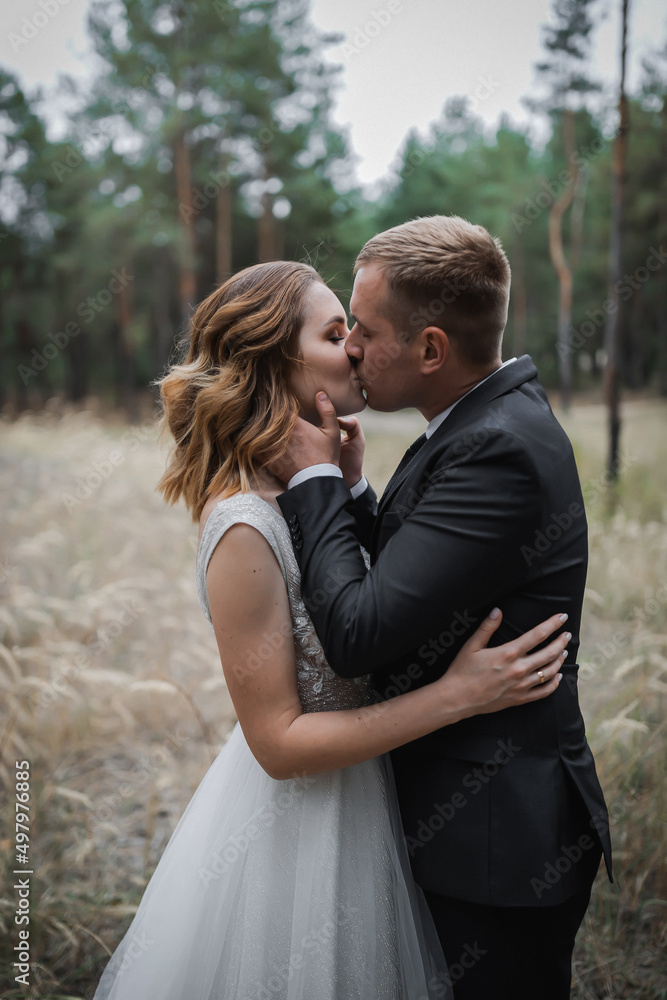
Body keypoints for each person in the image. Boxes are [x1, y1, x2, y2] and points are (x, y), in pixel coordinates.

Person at [91, 259, 571, 1000]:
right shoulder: (245, 525)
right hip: (297, 835)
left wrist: (346, 492)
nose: (353, 348)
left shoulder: (308, 491)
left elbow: (382, 595)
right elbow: (279, 745)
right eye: (334, 332)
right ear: (272, 362)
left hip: (372, 807)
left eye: (354, 331)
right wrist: (457, 696)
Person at [272, 217, 613, 1000]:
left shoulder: (495, 446)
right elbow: (422, 586)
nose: (351, 345)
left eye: (364, 327)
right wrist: (356, 492)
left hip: (498, 845)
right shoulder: (470, 423)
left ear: (430, 349)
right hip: (470, 826)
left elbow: (359, 634)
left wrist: (315, 483)